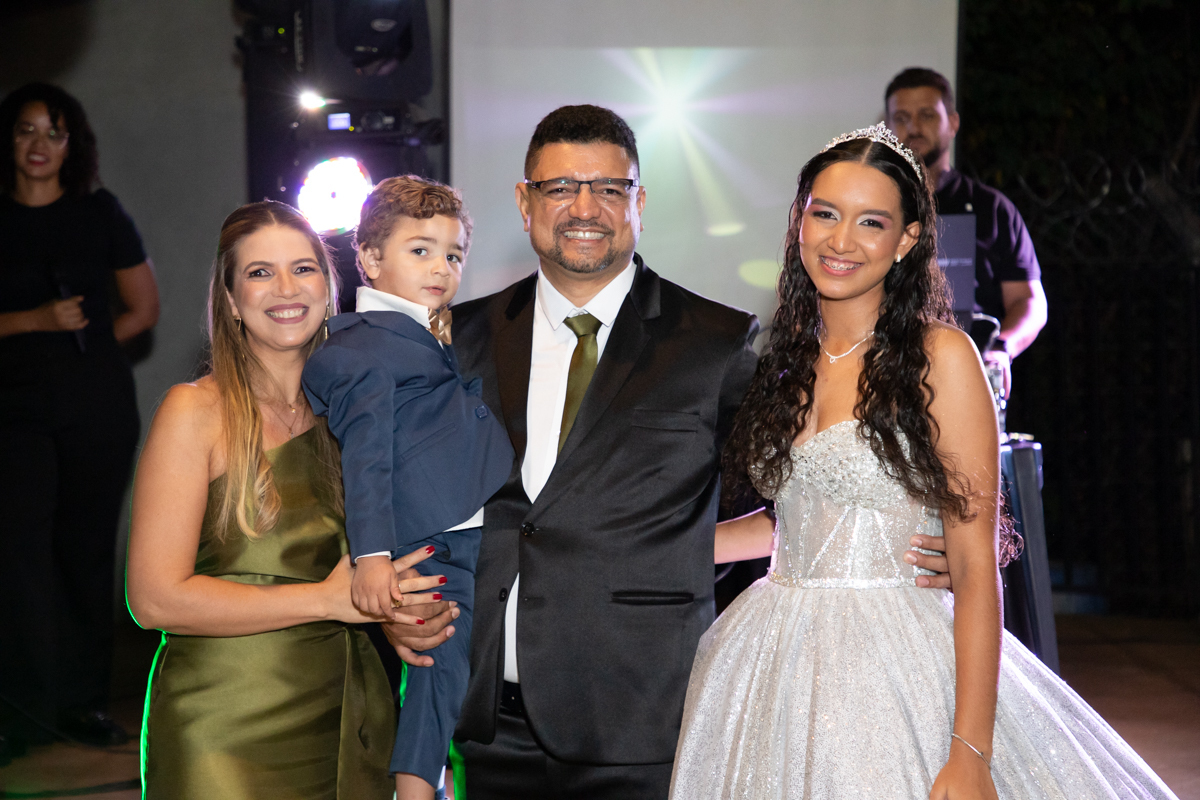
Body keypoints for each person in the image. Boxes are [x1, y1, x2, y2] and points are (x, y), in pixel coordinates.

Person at [382, 105, 955, 799]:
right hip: (484, 720)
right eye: (560, 188)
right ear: (525, 203)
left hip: (644, 721)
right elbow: (413, 492)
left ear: (640, 203)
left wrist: (904, 538)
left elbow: (805, 485)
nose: (584, 208)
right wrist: (395, 596)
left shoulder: (716, 343)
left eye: (609, 188)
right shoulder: (460, 336)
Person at [669, 124, 1178, 799]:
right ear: (799, 222)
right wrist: (660, 546)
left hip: (894, 660)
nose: (841, 240)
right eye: (825, 214)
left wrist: (970, 751)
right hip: (770, 653)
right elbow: (799, 515)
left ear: (906, 239)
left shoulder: (941, 358)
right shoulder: (786, 361)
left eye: (871, 222)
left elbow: (973, 565)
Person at [127, 200, 444, 799]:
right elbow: (154, 599)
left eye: (303, 269)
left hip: (351, 711)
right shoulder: (194, 411)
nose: (286, 289)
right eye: (259, 272)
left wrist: (396, 618)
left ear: (328, 287)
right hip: (223, 729)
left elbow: (369, 571)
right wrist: (326, 600)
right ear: (230, 299)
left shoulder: (358, 418)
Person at [302, 176, 514, 800]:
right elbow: (366, 458)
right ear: (369, 259)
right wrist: (371, 557)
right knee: (437, 669)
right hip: (432, 540)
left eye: (453, 255)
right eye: (420, 251)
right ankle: (415, 791)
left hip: (476, 528)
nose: (441, 268)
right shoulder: (359, 349)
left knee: (456, 669)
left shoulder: (430, 332)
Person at [0, 82, 159, 757]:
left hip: (95, 409)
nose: (40, 145)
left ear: (73, 145)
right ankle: (21, 710)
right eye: (27, 130)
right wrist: (35, 322)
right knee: (17, 558)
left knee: (86, 554)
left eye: (54, 132)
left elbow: (143, 310)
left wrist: (87, 352)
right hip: (12, 413)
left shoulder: (99, 212)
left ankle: (82, 703)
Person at [885, 67, 1047, 398]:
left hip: (968, 384)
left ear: (953, 123)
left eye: (927, 115)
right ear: (887, 127)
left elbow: (1029, 302)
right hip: (884, 380)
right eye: (901, 118)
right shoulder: (873, 206)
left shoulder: (991, 209)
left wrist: (1001, 349)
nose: (913, 128)